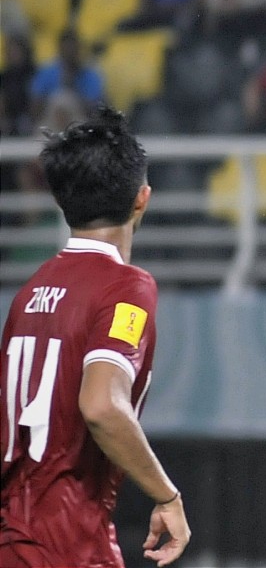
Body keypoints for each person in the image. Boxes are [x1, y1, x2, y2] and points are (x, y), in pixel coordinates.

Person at [0, 106, 190, 567]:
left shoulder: (30, 293)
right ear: (142, 198)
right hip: (69, 543)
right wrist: (167, 496)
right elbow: (102, 405)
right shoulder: (127, 287)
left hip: (12, 538)